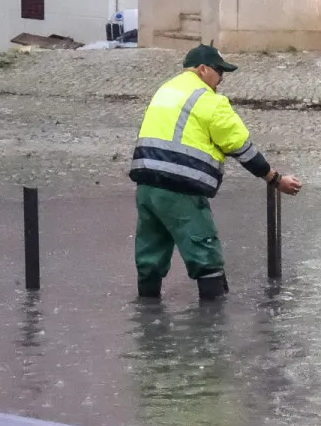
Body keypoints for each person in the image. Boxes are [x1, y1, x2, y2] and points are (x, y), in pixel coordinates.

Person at [129, 45, 303, 301]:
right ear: (202, 69)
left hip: (146, 187)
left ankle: (148, 320)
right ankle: (212, 329)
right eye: (219, 71)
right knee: (206, 258)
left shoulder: (165, 91)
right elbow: (241, 147)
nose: (221, 79)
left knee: (150, 257)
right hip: (181, 190)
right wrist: (276, 179)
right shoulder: (208, 100)